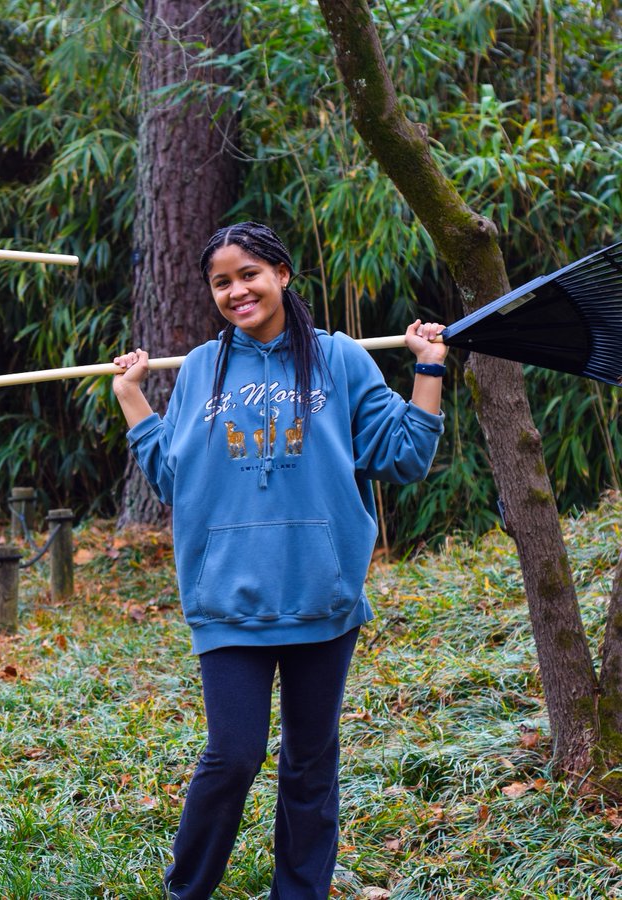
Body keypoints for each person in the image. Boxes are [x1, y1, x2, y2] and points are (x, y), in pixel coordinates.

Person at [111, 221, 446, 899]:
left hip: (321, 595)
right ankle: (187, 892)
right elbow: (172, 479)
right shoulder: (204, 367)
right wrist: (133, 401)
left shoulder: (341, 359)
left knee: (310, 764)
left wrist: (430, 368)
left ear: (283, 274)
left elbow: (405, 454)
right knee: (232, 755)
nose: (237, 291)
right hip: (227, 600)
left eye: (249, 275)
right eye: (221, 282)